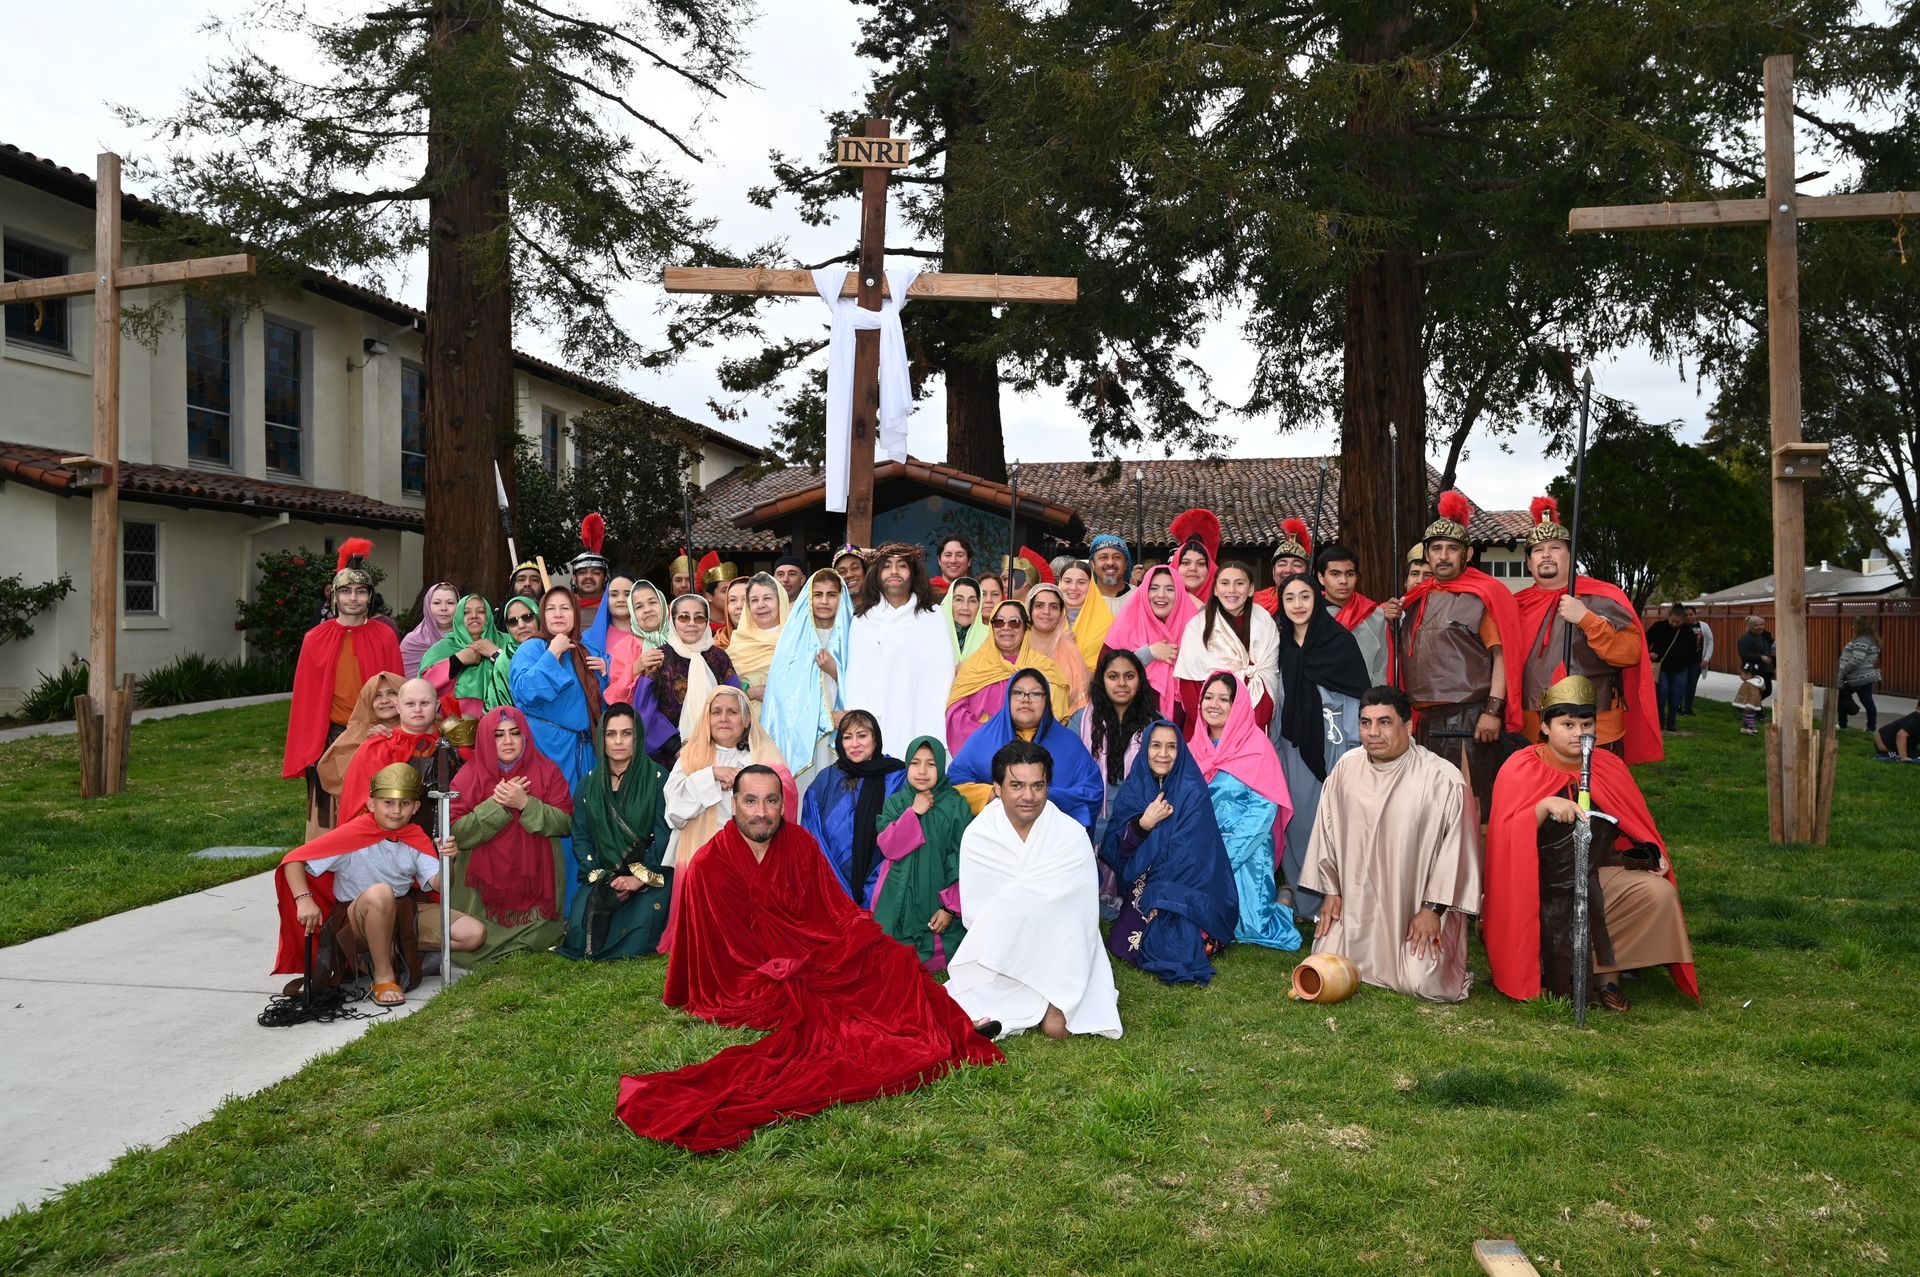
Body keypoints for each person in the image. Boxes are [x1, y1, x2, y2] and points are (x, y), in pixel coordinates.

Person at [614, 765, 1003, 1152]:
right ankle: (949, 1031)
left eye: (771, 801)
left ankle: (955, 1025)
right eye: (750, 801)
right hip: (756, 977)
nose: (762, 812)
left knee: (890, 958)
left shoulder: (800, 844)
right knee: (833, 1007)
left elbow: (833, 908)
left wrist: (855, 932)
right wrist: (774, 970)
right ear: (733, 805)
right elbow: (713, 955)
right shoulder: (707, 864)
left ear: (783, 805)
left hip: (813, 952)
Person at [1485, 676, 1698, 1011]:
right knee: (1567, 902)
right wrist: (1541, 808)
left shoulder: (1609, 767)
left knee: (1657, 893)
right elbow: (1505, 838)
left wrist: (1649, 854)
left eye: (1586, 724)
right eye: (1567, 724)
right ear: (1545, 726)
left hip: (1598, 871)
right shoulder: (1520, 768)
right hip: (1539, 881)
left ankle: (1608, 975)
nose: (1578, 733)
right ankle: (1549, 971)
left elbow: (1632, 825)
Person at [1298, 686, 1481, 1003]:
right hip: (1354, 910)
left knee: (1419, 983)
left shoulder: (1443, 780)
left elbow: (1458, 851)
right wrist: (1332, 891)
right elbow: (1326, 833)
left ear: (1408, 727)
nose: (1373, 733)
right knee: (1324, 964)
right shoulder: (1345, 769)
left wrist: (1432, 910)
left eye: (1384, 722)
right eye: (1365, 722)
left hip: (1415, 911)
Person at [945, 740, 1124, 1040]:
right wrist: (1025, 906)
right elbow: (978, 916)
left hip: (1063, 950)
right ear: (997, 788)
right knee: (965, 1006)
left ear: (1047, 787)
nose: (1028, 796)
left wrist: (1019, 903)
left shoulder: (1070, 835)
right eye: (1016, 785)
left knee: (1057, 1028)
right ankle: (1011, 1002)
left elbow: (1080, 917)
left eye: (1037, 786)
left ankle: (1051, 999)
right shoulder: (978, 836)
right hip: (1001, 953)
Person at [273, 763, 483, 1007]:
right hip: (355, 919)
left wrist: (449, 861)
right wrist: (304, 899)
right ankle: (383, 977)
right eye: (388, 803)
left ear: (415, 807)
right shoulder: (352, 833)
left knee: (473, 934)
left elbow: (439, 885)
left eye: (405, 803)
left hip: (402, 914)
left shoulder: (414, 837)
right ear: (372, 804)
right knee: (381, 893)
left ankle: (395, 951)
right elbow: (293, 861)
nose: (396, 811)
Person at [1399, 491, 1525, 811]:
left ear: (1467, 554)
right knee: (1433, 809)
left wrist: (1492, 711)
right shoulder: (1417, 598)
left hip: (1470, 719)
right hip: (1425, 721)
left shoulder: (1482, 596)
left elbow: (1502, 656)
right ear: (1427, 553)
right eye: (1436, 548)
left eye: (1452, 548)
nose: (1443, 556)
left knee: (1472, 806)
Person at [1513, 498, 1661, 762]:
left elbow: (1630, 653)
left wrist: (1586, 618)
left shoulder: (1602, 597)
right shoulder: (1516, 605)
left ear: (1571, 557)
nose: (1546, 554)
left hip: (1595, 729)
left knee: (1594, 790)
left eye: (1555, 547)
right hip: (1534, 731)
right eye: (1538, 550)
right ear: (1528, 562)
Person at [1101, 721, 1239, 984]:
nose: (1162, 754)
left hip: (1192, 884)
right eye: (1155, 745)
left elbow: (1191, 854)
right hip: (1146, 881)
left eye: (1171, 746)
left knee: (1176, 940)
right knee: (1126, 942)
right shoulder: (1135, 786)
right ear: (1145, 749)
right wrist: (1143, 824)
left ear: (1181, 751)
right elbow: (1116, 848)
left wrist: (1160, 898)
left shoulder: (1192, 789)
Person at [283, 539, 403, 839]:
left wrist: (389, 729)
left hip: (376, 733)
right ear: (335, 596)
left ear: (370, 597)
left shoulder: (385, 636)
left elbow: (395, 690)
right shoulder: (315, 638)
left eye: (361, 591)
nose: (353, 597)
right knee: (327, 813)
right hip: (332, 735)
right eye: (346, 591)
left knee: (373, 806)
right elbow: (307, 700)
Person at [1270, 574, 1369, 922]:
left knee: (1339, 821)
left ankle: (1344, 900)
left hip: (1336, 741)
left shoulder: (1339, 643)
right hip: (1294, 746)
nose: (1297, 605)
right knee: (1299, 821)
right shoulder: (1280, 646)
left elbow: (1357, 696)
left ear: (1317, 600)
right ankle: (1304, 902)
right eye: (1290, 598)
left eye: (1305, 596)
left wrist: (1355, 746)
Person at [446, 705, 573, 959]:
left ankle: (527, 939)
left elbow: (565, 824)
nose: (508, 741)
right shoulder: (467, 777)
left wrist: (525, 803)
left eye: (515, 733)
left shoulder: (547, 771)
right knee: (477, 931)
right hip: (482, 899)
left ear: (525, 735)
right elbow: (458, 833)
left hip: (535, 897)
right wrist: (497, 804)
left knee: (540, 936)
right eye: (498, 734)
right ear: (485, 738)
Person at [557, 704, 674, 960]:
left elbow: (665, 835)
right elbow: (581, 838)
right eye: (611, 734)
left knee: (638, 932)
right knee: (579, 932)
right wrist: (604, 877)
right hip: (606, 875)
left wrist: (637, 879)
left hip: (649, 875)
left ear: (638, 736)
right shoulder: (589, 783)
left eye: (626, 733)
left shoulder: (658, 778)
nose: (618, 741)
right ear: (602, 738)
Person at [1190, 672, 1298, 950]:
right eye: (1208, 697)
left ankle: (1282, 901)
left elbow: (1263, 812)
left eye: (1223, 699)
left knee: (1249, 927)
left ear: (1236, 705)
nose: (1214, 705)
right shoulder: (1192, 749)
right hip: (1202, 846)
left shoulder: (1256, 747)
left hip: (1247, 847)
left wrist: (1223, 856)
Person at [949, 668, 1105, 827]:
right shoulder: (983, 740)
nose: (1026, 699)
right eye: (1018, 693)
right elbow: (954, 784)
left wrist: (1045, 797)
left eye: (1035, 694)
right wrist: (992, 794)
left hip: (1054, 834)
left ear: (1047, 700)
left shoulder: (1069, 744)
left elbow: (1092, 791)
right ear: (1007, 698)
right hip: (997, 833)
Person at [663, 684, 786, 883]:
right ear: (707, 718)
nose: (724, 718)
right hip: (697, 859)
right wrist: (711, 775)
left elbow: (782, 803)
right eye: (716, 712)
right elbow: (674, 810)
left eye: (733, 712)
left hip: (750, 862)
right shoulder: (690, 757)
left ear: (747, 719)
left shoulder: (764, 757)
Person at [844, 543, 958, 750]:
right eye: (887, 566)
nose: (894, 571)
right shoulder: (863, 620)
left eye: (902, 565)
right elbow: (857, 678)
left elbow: (941, 676)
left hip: (921, 718)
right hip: (878, 722)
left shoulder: (932, 616)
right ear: (877, 574)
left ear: (913, 573)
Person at [873, 737, 973, 972]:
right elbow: (888, 847)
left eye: (931, 764)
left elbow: (964, 859)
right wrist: (914, 813)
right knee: (888, 954)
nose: (922, 771)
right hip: (898, 895)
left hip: (938, 898)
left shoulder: (956, 806)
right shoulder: (896, 803)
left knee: (941, 951)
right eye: (915, 763)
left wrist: (950, 907)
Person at [802, 711, 907, 906]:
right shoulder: (825, 781)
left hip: (881, 886)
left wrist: (876, 885)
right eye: (847, 737)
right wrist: (834, 885)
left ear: (875, 738)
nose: (854, 744)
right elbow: (811, 834)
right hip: (830, 885)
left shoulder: (898, 777)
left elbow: (904, 833)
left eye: (862, 735)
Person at [507, 585, 604, 789]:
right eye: (551, 608)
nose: (558, 614)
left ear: (575, 613)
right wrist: (552, 654)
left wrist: (606, 670)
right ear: (542, 614)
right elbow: (524, 691)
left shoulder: (588, 649)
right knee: (553, 803)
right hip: (546, 747)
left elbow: (606, 698)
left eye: (565, 608)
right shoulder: (531, 648)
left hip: (588, 750)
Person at [763, 569, 852, 785]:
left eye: (831, 595)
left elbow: (867, 683)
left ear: (842, 598)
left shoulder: (854, 635)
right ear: (808, 598)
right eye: (817, 594)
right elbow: (783, 696)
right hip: (803, 731)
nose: (824, 601)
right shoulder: (792, 639)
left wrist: (834, 671)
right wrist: (824, 718)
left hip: (843, 726)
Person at [945, 598, 1070, 750]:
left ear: (1026, 628)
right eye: (999, 622)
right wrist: (991, 740)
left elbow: (1055, 714)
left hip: (1032, 752)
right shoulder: (973, 667)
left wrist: (1021, 743)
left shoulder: (1045, 667)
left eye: (1014, 622)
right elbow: (956, 714)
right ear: (992, 627)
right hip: (984, 749)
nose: (1006, 628)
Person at [632, 592, 741, 766]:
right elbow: (645, 709)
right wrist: (676, 747)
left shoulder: (719, 658)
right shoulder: (659, 658)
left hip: (720, 752)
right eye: (684, 617)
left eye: (699, 618)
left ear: (707, 622)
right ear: (673, 621)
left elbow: (736, 702)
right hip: (670, 757)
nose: (691, 623)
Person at [1174, 561, 1280, 729]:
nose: (1231, 590)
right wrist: (1213, 729)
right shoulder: (1197, 626)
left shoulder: (1265, 622)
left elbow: (1268, 676)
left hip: (1255, 722)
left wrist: (1251, 726)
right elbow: (1189, 685)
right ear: (1216, 589)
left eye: (1239, 583)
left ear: (1251, 589)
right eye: (1224, 583)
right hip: (1206, 726)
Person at [1077, 649, 1159, 853]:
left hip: (1142, 829)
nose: (1122, 683)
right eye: (1113, 677)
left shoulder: (1157, 724)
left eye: (1129, 676)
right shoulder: (1080, 722)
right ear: (1101, 681)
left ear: (1140, 681)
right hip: (1089, 829)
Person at [337, 676, 442, 828]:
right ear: (398, 707)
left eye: (424, 703)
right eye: (410, 703)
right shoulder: (376, 748)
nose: (417, 709)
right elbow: (360, 808)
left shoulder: (452, 744)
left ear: (437, 705)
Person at [1104, 563, 1199, 721]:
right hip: (1129, 721)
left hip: (1184, 723)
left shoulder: (1196, 629)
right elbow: (1107, 672)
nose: (1161, 595)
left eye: (1170, 589)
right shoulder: (1125, 625)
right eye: (1153, 588)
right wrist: (1148, 653)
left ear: (1180, 593)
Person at [313, 671, 407, 820]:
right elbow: (332, 772)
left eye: (391, 693)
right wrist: (367, 745)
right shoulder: (358, 732)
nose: (384, 700)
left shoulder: (421, 725)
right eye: (377, 696)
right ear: (368, 702)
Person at [1316, 542, 1399, 688]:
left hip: (1364, 696)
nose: (1343, 581)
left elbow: (1381, 668)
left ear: (1357, 577)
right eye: (1335, 574)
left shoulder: (1374, 615)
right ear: (1321, 577)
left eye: (1349, 574)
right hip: (1320, 696)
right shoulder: (1310, 615)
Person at [419, 593, 516, 717]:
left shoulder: (508, 642)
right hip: (454, 724)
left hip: (506, 722)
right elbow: (423, 686)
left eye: (481, 611)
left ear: (489, 616)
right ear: (458, 618)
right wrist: (457, 660)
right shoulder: (443, 647)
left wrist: (496, 654)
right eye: (466, 612)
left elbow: (523, 678)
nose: (474, 616)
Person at [1024, 583, 1093, 721]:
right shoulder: (1017, 644)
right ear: (1029, 610)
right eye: (1039, 605)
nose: (1046, 612)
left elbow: (1079, 703)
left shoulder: (1069, 649)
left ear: (1062, 613)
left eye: (1054, 607)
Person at [728, 571, 790, 707]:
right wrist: (748, 692)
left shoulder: (794, 639)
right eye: (754, 600)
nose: (760, 605)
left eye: (767, 598)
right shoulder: (739, 640)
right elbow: (725, 687)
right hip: (746, 716)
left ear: (780, 601)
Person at [606, 579, 670, 706]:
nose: (647, 609)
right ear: (633, 614)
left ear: (662, 604)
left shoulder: (680, 637)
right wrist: (635, 668)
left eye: (652, 602)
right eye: (639, 606)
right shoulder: (624, 647)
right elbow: (613, 698)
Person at [1644, 603, 1702, 735]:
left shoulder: (1687, 631)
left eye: (1678, 622)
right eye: (1673, 621)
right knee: (1662, 693)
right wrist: (1649, 653)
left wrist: (1687, 661)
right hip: (1662, 667)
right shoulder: (1658, 627)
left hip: (1680, 668)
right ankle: (1660, 719)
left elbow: (1693, 649)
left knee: (1676, 696)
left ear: (1683, 620)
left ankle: (1672, 720)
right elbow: (1645, 640)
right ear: (1669, 617)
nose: (1675, 624)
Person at [1059, 562, 1117, 672]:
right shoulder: (1045, 617)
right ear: (1060, 583)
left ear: (1091, 586)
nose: (1073, 588)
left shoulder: (1107, 623)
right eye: (1067, 581)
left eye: (1081, 582)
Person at [1252, 518, 1312, 615]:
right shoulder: (1254, 602)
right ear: (1273, 571)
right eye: (1282, 564)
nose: (1288, 570)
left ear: (1307, 571)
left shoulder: (1319, 601)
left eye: (1297, 564)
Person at [399, 582, 458, 679]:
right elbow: (405, 681)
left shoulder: (467, 637)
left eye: (450, 603)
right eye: (437, 603)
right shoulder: (412, 642)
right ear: (427, 606)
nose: (443, 608)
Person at [582, 573, 636, 674]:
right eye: (614, 595)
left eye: (627, 594)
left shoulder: (651, 637)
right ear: (606, 599)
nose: (621, 600)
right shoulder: (586, 639)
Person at [1836, 616, 1882, 733]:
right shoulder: (1871, 640)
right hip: (1866, 677)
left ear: (1859, 627)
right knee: (1868, 702)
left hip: (1856, 678)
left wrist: (1844, 671)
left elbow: (1857, 659)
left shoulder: (1861, 641)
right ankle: (1871, 727)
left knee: (1842, 698)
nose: (1853, 627)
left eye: (1854, 625)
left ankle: (1843, 725)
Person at [569, 513, 610, 636]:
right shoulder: (564, 607)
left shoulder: (614, 607)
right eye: (582, 572)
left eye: (596, 573)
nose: (588, 576)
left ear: (605, 578)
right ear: (574, 578)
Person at [1169, 508, 1220, 605]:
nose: (1193, 568)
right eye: (1185, 563)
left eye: (1201, 563)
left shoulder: (1228, 603)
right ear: (1175, 566)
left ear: (1210, 569)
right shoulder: (1158, 601)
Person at [939, 575, 988, 662]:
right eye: (959, 600)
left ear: (979, 605)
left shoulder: (989, 636)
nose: (965, 607)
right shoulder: (935, 633)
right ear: (949, 602)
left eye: (972, 601)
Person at [1738, 615, 1776, 701]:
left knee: (1766, 691)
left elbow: (1769, 648)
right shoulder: (1745, 638)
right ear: (1750, 626)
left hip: (1765, 669)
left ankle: (1751, 706)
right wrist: (1761, 657)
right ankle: (1748, 705)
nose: (1760, 627)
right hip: (1753, 669)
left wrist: (1772, 654)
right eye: (1756, 625)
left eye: (1761, 624)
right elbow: (1744, 654)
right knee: (1756, 691)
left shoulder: (1764, 637)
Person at [1684, 614, 1714, 716]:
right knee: (1681, 685)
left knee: (1691, 686)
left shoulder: (1703, 626)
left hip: (1696, 662)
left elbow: (1710, 642)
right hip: (1682, 662)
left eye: (1691, 614)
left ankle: (1687, 708)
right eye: (1686, 614)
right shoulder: (1681, 625)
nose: (1689, 617)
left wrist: (1706, 659)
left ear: (1695, 614)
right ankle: (1678, 706)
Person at [1088, 533, 1133, 601]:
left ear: (1126, 564)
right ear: (1092, 564)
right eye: (1103, 557)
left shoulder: (1140, 596)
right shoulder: (1083, 598)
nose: (1110, 563)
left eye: (1117, 557)